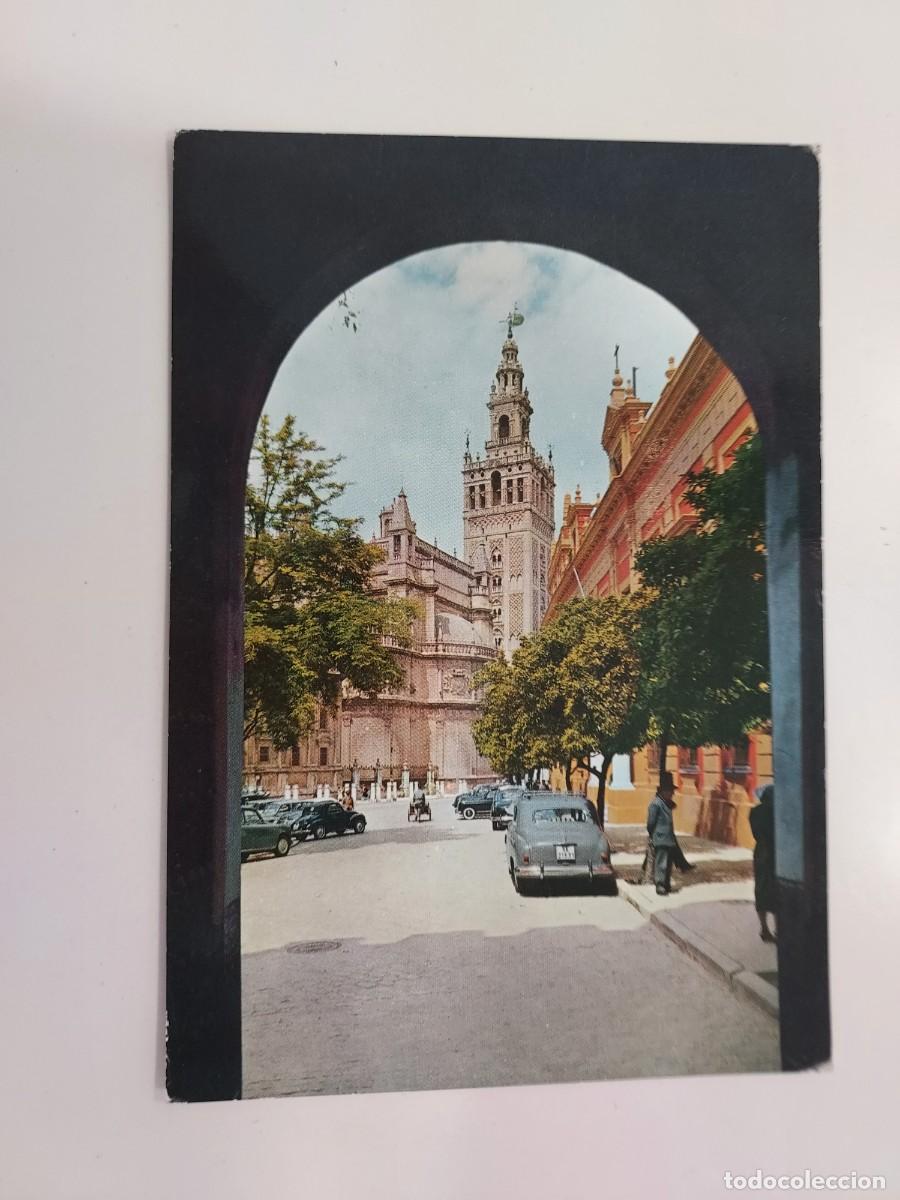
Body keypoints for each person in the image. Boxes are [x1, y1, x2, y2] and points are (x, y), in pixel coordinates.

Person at [646, 771, 695, 895]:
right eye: (670, 791)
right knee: (661, 862)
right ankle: (660, 885)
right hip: (660, 837)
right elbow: (650, 823)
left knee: (668, 863)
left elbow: (672, 805)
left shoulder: (665, 803)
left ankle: (666, 883)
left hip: (668, 838)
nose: (673, 793)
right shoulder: (655, 804)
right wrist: (653, 835)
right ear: (663, 791)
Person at [750, 784, 776, 942]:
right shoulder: (776, 811)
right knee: (776, 892)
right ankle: (779, 930)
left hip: (760, 852)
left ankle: (764, 928)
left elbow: (755, 832)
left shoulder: (754, 812)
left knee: (760, 891)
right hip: (774, 852)